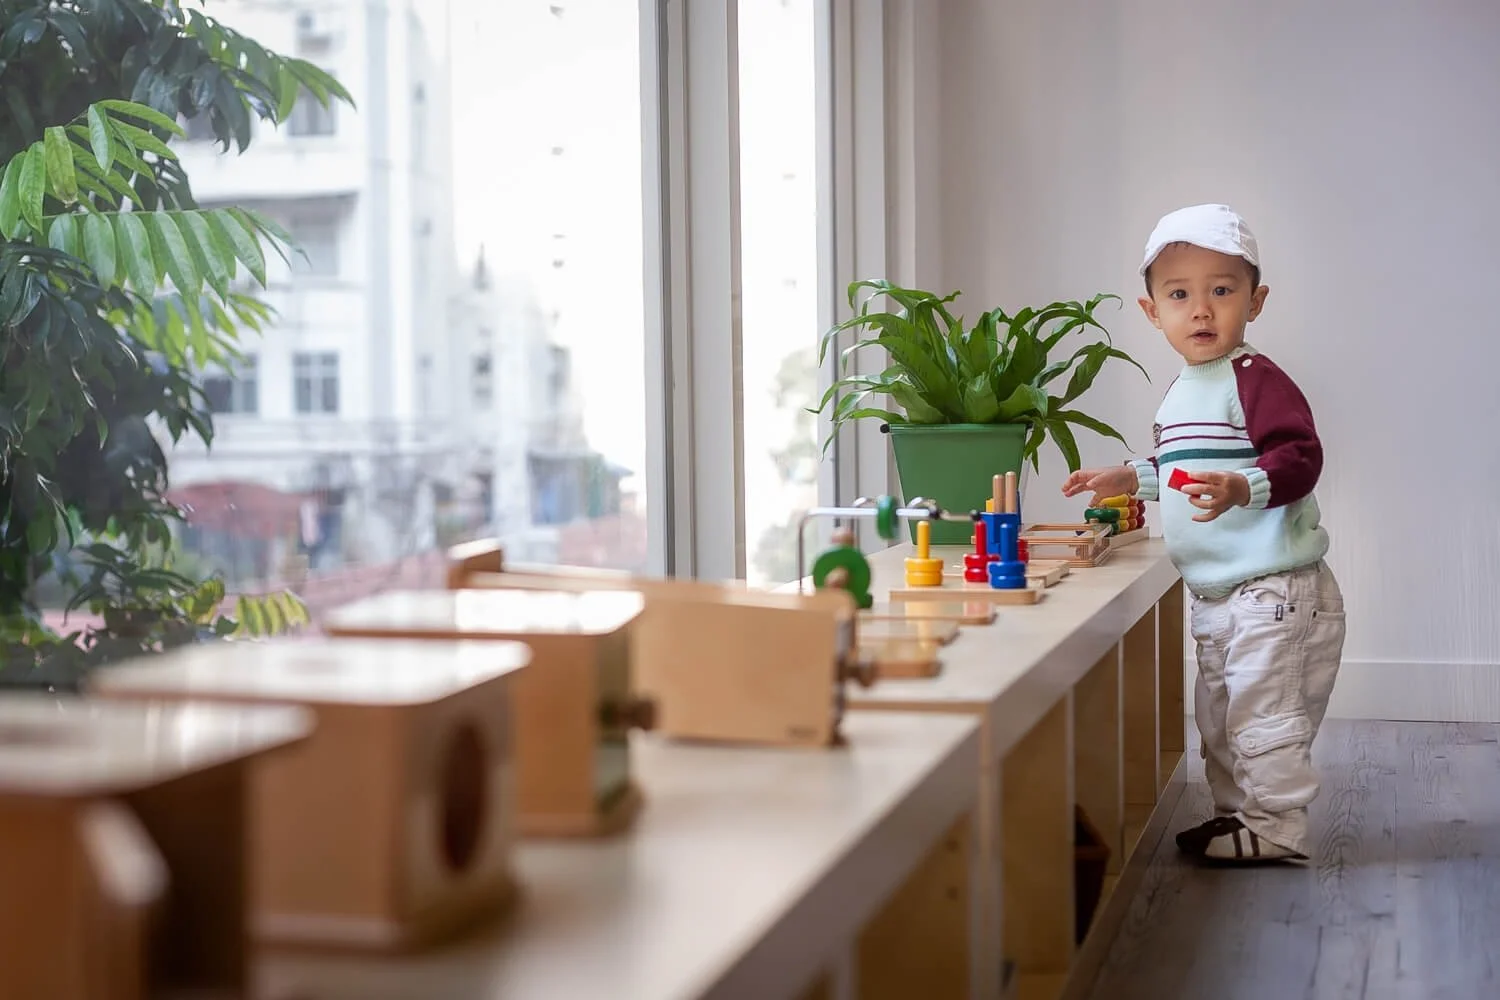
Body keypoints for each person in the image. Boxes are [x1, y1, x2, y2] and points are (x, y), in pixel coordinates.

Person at [1061, 203, 1346, 864]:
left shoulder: (1256, 380)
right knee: (1217, 716)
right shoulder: (1184, 390)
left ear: (1256, 300)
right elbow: (1185, 469)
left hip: (1273, 585)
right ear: (1151, 310)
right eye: (1180, 294)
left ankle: (1276, 826)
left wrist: (1246, 486)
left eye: (1222, 291)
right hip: (1217, 593)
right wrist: (1130, 477)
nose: (1201, 310)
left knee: (1262, 714)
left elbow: (1300, 457)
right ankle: (1237, 815)